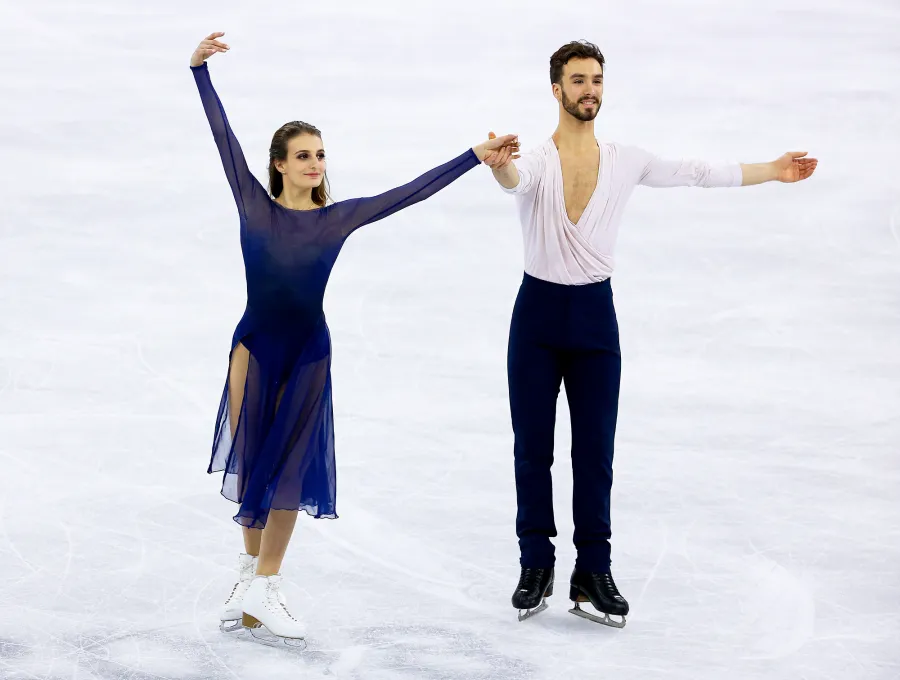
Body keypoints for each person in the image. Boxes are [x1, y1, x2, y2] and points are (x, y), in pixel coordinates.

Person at [188, 32, 518, 645]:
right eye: (303, 155)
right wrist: (198, 71)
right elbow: (222, 137)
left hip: (307, 354)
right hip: (253, 348)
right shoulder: (254, 207)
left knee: (289, 468)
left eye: (320, 154)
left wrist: (474, 156)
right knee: (253, 459)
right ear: (279, 164)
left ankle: (268, 581)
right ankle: (249, 578)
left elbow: (410, 192)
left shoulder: (336, 219)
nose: (315, 163)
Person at [482, 40, 817, 627]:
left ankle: (593, 570)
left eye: (596, 79)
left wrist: (773, 170)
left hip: (595, 320)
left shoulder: (626, 160)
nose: (589, 89)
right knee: (532, 449)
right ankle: (535, 564)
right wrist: (499, 165)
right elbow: (514, 181)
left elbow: (697, 173)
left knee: (595, 453)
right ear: (557, 90)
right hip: (536, 319)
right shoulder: (536, 159)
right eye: (578, 80)